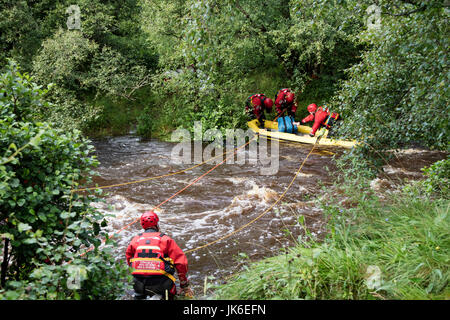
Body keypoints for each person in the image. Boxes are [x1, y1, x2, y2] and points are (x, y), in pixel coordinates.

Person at [125, 210, 193, 300]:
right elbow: (181, 263)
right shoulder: (165, 239)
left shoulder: (135, 240)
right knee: (171, 293)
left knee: (138, 294)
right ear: (157, 224)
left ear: (142, 225)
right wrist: (184, 285)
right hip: (161, 285)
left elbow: (129, 259)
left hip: (139, 285)